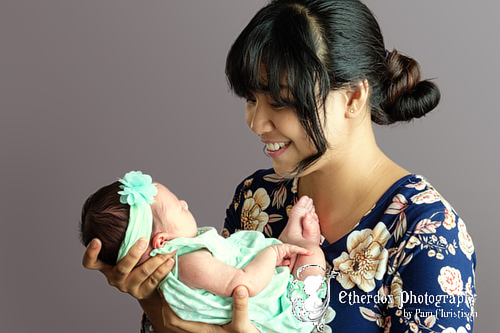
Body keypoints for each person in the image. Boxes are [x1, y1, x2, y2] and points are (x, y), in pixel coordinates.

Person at [82, 0, 477, 332]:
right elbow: (205, 314)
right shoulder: (257, 197)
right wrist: (154, 297)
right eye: (251, 99)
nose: (255, 123)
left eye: (280, 101)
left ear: (353, 97)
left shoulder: (428, 236)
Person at [80, 171, 329, 332]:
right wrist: (275, 252)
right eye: (178, 207)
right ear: (162, 240)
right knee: (312, 258)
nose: (185, 204)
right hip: (284, 314)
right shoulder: (187, 262)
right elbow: (244, 283)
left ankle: (288, 240)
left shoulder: (180, 262)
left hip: (264, 281)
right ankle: (302, 242)